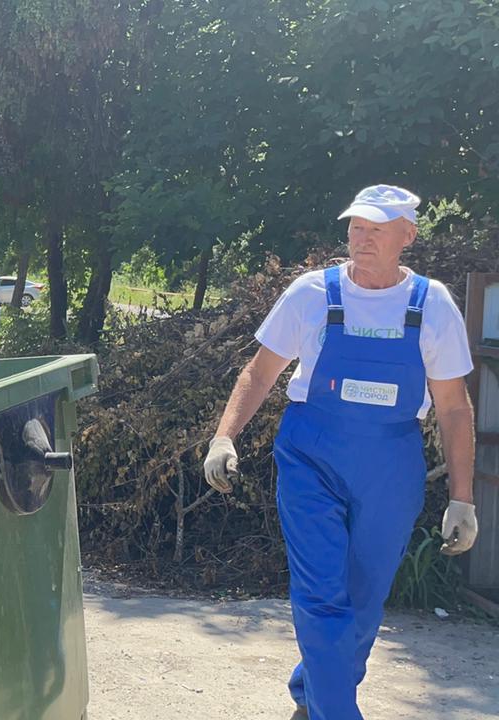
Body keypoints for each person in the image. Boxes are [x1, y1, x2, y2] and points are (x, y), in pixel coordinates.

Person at [202, 185, 479, 720]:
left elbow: (453, 409)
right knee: (322, 596)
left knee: (364, 600)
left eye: (376, 229)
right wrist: (223, 436)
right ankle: (336, 710)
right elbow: (260, 373)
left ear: (407, 236)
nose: (361, 237)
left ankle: (316, 694)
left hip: (391, 465)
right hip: (312, 456)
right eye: (356, 226)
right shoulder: (312, 294)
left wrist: (462, 499)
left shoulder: (432, 304)